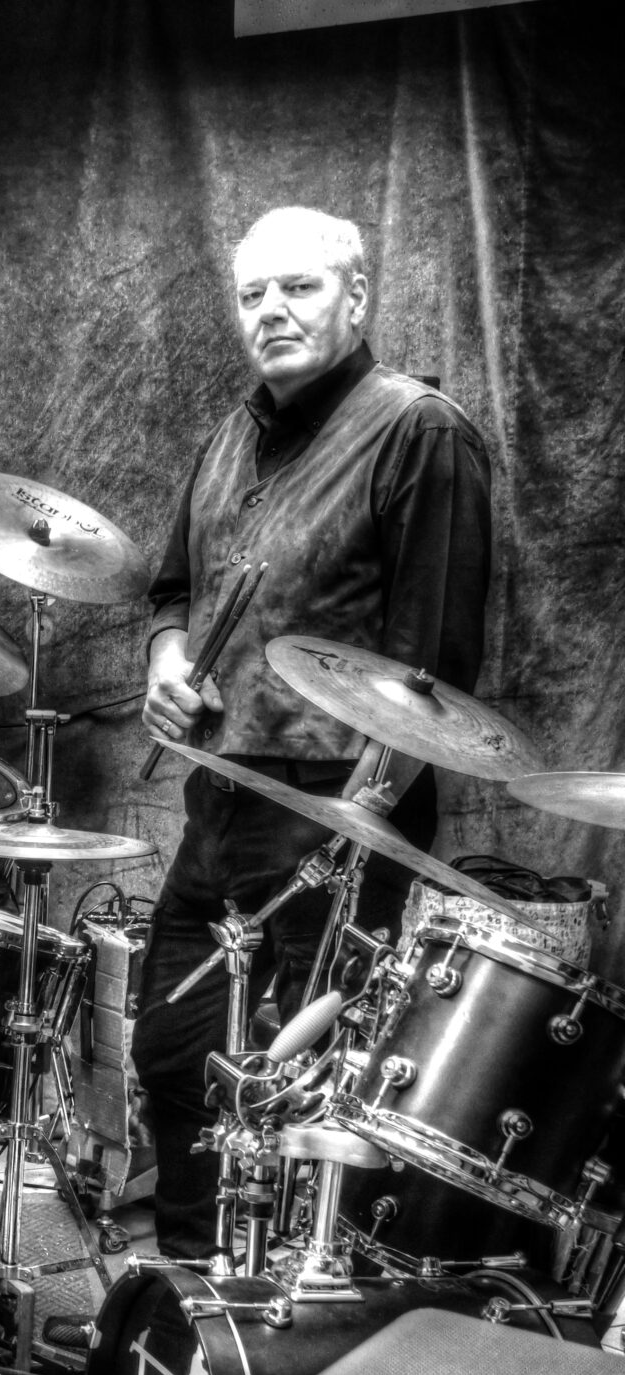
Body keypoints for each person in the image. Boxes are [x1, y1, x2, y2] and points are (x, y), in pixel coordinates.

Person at [134, 206, 492, 1261]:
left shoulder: (419, 430)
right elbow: (172, 591)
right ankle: (189, 1292)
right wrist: (165, 661)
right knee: (176, 1052)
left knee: (304, 1091)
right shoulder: (229, 436)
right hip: (219, 803)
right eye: (253, 294)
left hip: (340, 815)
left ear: (356, 296)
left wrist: (356, 828)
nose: (272, 311)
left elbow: (433, 676)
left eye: (298, 287)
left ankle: (288, 1314)